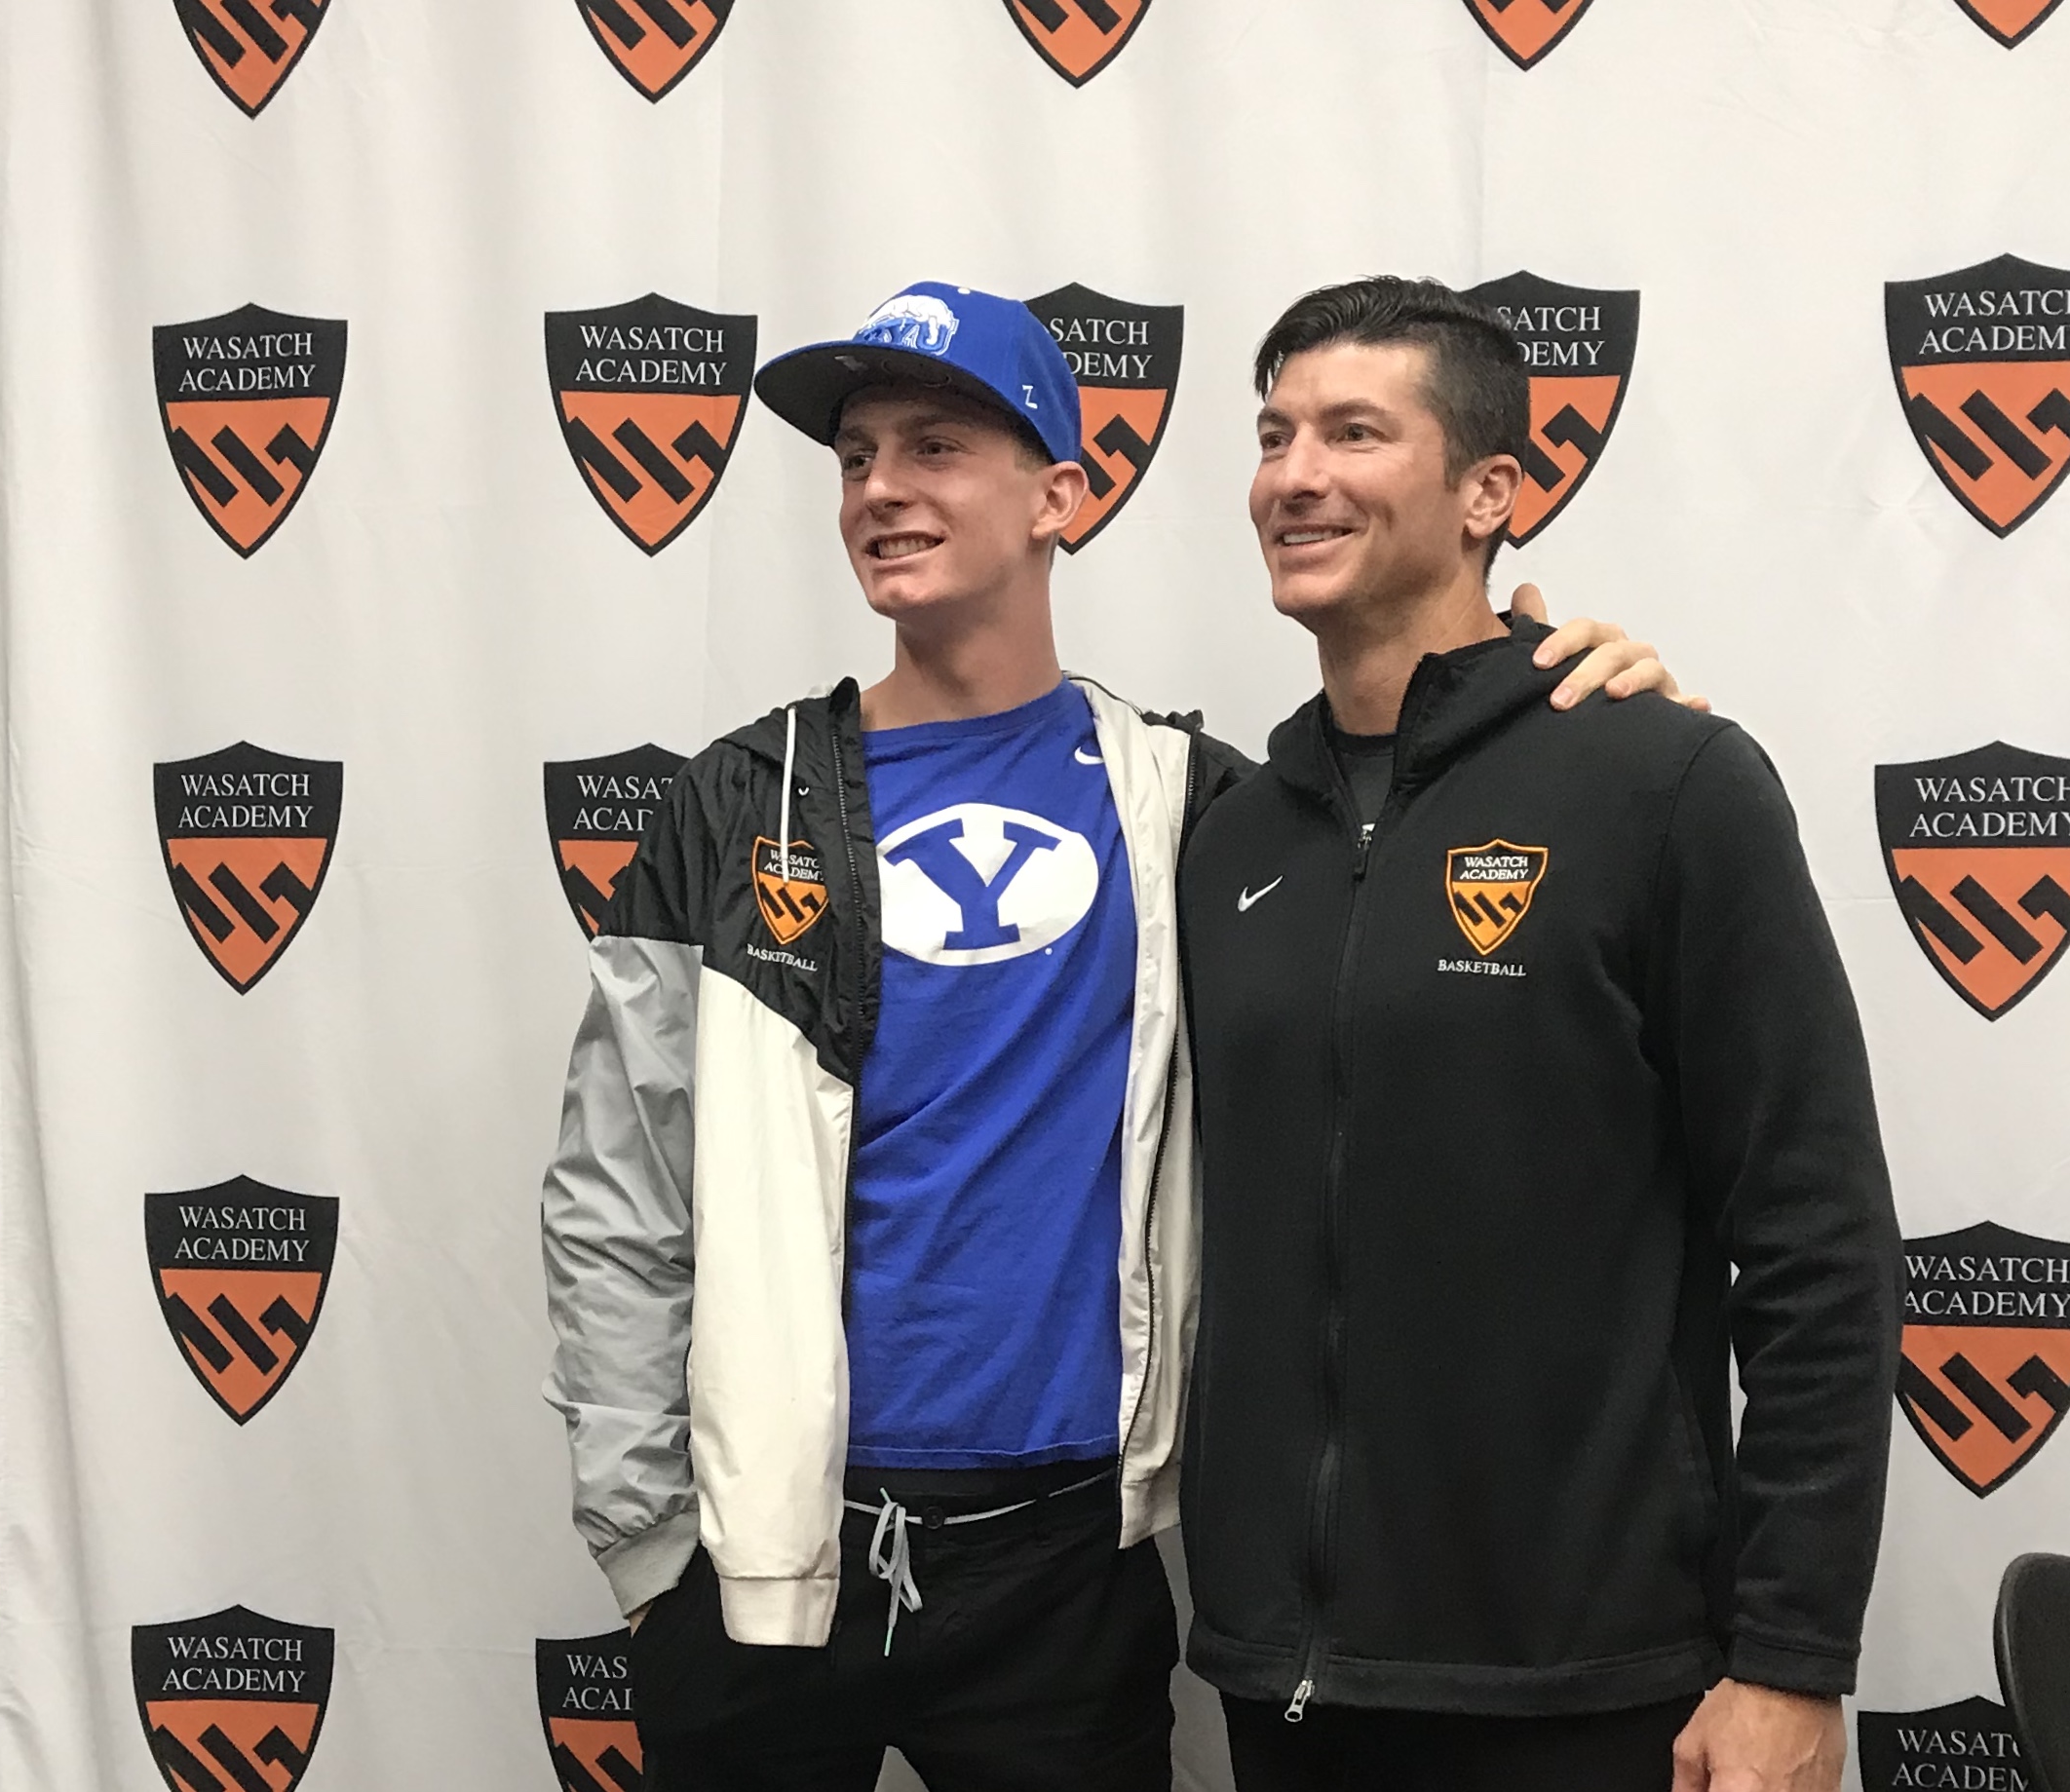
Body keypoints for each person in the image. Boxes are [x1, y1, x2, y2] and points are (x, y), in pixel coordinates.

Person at [539, 280, 1687, 1791]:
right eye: (856, 456)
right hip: (765, 1572)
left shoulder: (1198, 811)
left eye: (937, 446)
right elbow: (615, 1195)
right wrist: (653, 1544)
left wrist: (1570, 703)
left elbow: (1417, 867)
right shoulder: (731, 804)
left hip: (1066, 1566)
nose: (882, 489)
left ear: (1058, 497)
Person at [1175, 275, 1901, 1792]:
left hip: (1593, 1689)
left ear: (1489, 490)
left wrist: (1789, 1661)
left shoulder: (1664, 783)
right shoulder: (1229, 835)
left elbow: (1815, 1238)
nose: (1292, 476)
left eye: (1354, 432)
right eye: (1272, 434)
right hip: (1285, 1686)